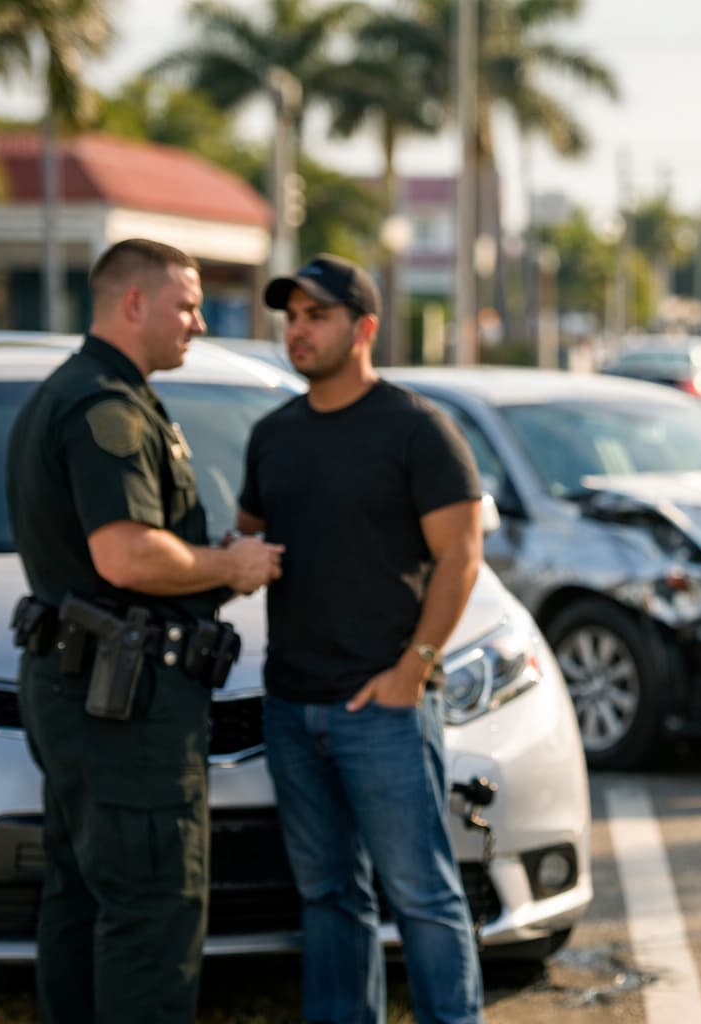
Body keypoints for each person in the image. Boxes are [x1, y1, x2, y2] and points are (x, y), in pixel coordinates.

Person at [5, 238, 284, 1023]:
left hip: (86, 691)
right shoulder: (107, 406)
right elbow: (125, 555)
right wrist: (230, 566)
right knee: (153, 909)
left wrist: (204, 564)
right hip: (124, 710)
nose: (199, 322)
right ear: (134, 303)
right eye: (186, 306)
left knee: (81, 898)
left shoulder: (74, 392)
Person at [236, 254, 485, 1024]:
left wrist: (414, 669)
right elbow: (247, 539)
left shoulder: (416, 429)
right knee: (328, 895)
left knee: (422, 895)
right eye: (291, 317)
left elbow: (462, 556)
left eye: (317, 316)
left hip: (384, 708)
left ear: (364, 327)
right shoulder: (273, 435)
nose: (298, 330)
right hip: (290, 706)